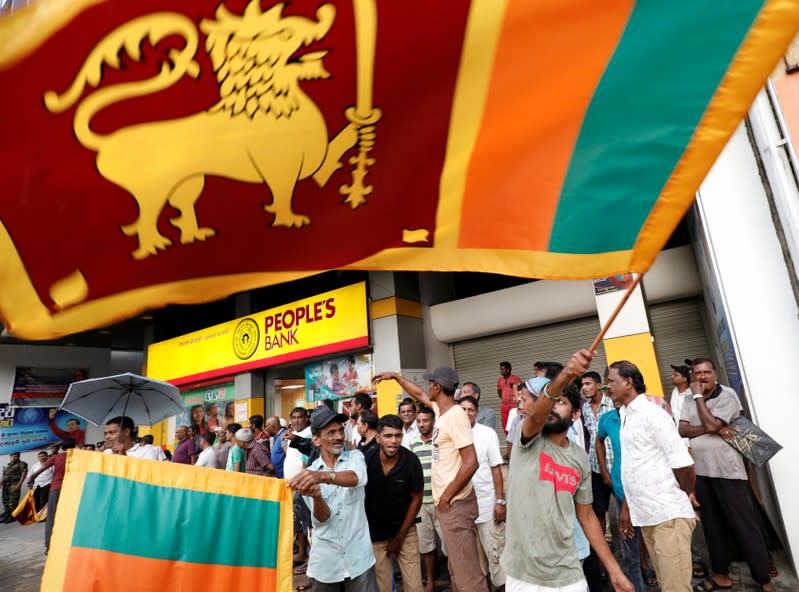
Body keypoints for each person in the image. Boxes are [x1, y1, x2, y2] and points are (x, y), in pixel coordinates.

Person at [502, 349, 632, 592]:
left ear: (575, 415)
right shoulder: (527, 438)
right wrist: (565, 376)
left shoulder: (578, 457)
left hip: (568, 571)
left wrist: (614, 569)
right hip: (524, 574)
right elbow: (538, 413)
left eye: (560, 402)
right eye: (549, 401)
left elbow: (586, 515)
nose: (551, 406)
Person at [373, 367, 483, 592]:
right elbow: (419, 395)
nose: (426, 388)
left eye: (429, 383)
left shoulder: (455, 416)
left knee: (468, 575)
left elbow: (471, 462)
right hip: (450, 506)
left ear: (437, 387)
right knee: (457, 570)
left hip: (455, 505)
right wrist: (395, 377)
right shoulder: (441, 410)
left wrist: (446, 498)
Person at [679, 358, 774, 592]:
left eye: (706, 373)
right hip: (701, 472)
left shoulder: (727, 396)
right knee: (712, 527)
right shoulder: (687, 399)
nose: (702, 377)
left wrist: (701, 402)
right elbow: (682, 429)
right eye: (697, 374)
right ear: (692, 377)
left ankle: (764, 579)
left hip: (729, 472)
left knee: (744, 526)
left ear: (714, 374)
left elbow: (711, 426)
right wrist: (713, 427)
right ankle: (721, 575)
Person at [608, 360, 696, 592]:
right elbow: (633, 469)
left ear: (628, 382)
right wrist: (627, 508)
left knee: (676, 588)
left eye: (611, 381)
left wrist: (682, 495)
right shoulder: (626, 414)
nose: (608, 386)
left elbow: (684, 465)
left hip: (668, 517)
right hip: (647, 517)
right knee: (667, 586)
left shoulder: (653, 414)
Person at [287, 406, 378, 591]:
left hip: (358, 557)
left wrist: (324, 477)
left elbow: (357, 478)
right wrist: (318, 497)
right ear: (316, 440)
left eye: (340, 430)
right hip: (326, 562)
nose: (338, 436)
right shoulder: (310, 474)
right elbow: (322, 518)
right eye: (331, 432)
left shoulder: (355, 456)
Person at [364, 414, 424, 592]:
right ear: (378, 437)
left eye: (398, 435)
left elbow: (416, 499)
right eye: (388, 436)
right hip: (376, 534)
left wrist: (399, 537)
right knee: (382, 587)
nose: (393, 441)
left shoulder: (411, 461)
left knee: (414, 587)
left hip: (405, 531)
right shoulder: (365, 460)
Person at [596, 396, 647, 592]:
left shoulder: (644, 416)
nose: (612, 393)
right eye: (609, 388)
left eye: (614, 385)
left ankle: (648, 568)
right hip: (620, 490)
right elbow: (599, 441)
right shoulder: (608, 419)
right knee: (629, 549)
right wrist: (604, 470)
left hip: (646, 492)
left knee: (653, 543)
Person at [459, 396, 506, 591]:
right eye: (462, 409)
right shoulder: (452, 435)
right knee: (476, 565)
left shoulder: (487, 434)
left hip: (487, 507)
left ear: (476, 413)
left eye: (470, 409)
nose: (466, 413)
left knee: (498, 560)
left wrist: (500, 501)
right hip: (464, 510)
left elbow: (496, 468)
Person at [409, 406, 441, 592]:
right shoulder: (412, 444)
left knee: (448, 545)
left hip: (440, 501)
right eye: (419, 421)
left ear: (433, 421)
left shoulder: (440, 442)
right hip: (421, 502)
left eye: (425, 420)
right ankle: (430, 582)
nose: (422, 424)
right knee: (426, 544)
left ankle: (454, 579)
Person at [580, 371, 615, 538]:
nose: (584, 388)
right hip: (595, 467)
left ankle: (640, 560)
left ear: (599, 385)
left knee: (627, 510)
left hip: (616, 464)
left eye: (588, 384)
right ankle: (604, 550)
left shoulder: (612, 404)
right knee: (599, 510)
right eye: (582, 385)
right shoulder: (585, 408)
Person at [27, 438, 75, 552]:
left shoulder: (56, 457)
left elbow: (39, 471)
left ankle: (49, 546)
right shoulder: (80, 457)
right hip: (74, 489)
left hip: (57, 489)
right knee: (71, 516)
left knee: (52, 518)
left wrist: (31, 479)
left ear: (62, 448)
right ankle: (71, 544)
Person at [284, 407, 312, 566]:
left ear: (306, 418)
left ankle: (303, 554)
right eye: (293, 418)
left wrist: (302, 480)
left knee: (304, 521)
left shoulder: (309, 434)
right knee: (296, 521)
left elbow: (306, 461)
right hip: (290, 483)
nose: (296, 421)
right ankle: (300, 553)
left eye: (300, 417)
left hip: (301, 483)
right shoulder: (292, 434)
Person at [1, 452, 28, 522]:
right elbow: (4, 475)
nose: (13, 458)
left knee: (13, 502)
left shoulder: (22, 464)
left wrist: (19, 484)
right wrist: (1, 482)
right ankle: (7, 514)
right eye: (12, 456)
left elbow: (23, 474)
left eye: (15, 456)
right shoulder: (9, 465)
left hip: (14, 484)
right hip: (6, 485)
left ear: (18, 456)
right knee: (5, 500)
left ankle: (13, 516)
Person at [670, 364, 692, 448]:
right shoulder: (675, 391)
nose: (672, 376)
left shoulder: (690, 395)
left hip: (689, 443)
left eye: (675, 375)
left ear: (684, 379)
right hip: (677, 441)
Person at [496, 361, 522, 433]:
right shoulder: (500, 380)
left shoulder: (515, 378)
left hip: (514, 406)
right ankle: (509, 443)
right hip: (504, 407)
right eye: (500, 369)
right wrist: (504, 399)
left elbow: (520, 391)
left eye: (503, 369)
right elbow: (499, 392)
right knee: (505, 426)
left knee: (516, 424)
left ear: (508, 370)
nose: (501, 371)